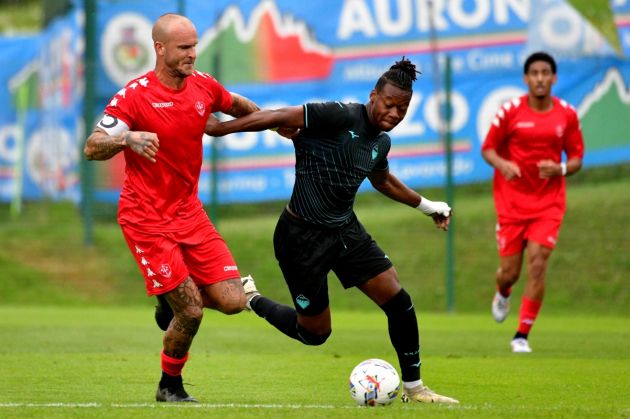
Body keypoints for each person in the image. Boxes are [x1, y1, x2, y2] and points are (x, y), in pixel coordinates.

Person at [206, 57, 459, 404]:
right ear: (374, 95)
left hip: (344, 231)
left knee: (399, 302)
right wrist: (220, 129)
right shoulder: (338, 115)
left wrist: (428, 206)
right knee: (315, 333)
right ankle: (251, 297)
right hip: (300, 238)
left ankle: (415, 390)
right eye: (390, 104)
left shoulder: (380, 142)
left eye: (403, 108)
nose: (395, 113)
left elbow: (383, 181)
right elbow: (278, 117)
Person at [83, 13, 262, 402]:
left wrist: (273, 121)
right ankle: (170, 387)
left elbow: (233, 103)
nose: (193, 54)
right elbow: (92, 146)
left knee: (233, 302)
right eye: (184, 47)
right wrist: (127, 138)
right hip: (145, 218)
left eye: (195, 45)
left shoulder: (202, 87)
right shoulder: (135, 95)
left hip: (189, 212)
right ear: (159, 48)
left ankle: (170, 293)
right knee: (192, 312)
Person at [481, 51, 585, 353]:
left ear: (553, 78)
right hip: (511, 203)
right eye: (534, 73)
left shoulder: (566, 114)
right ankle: (503, 291)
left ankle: (521, 335)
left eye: (545, 73)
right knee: (510, 272)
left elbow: (577, 157)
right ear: (526, 79)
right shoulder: (510, 112)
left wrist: (561, 168)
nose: (540, 78)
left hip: (548, 203)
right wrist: (503, 164)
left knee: (538, 264)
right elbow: (488, 149)